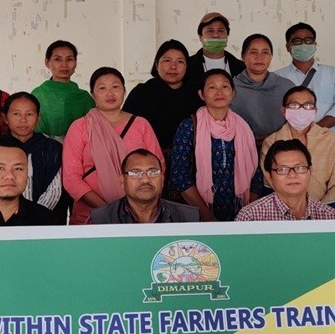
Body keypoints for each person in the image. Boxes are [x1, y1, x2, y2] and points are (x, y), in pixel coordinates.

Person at [62, 67, 164, 225]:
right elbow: (71, 179)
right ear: (92, 94)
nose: (110, 93)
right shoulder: (80, 127)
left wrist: (131, 209)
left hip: (139, 216)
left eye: (115, 87)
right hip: (90, 217)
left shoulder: (141, 125)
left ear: (124, 90)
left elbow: (158, 168)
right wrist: (110, 211)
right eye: (102, 88)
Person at [170, 69, 259, 222]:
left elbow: (256, 173)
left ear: (233, 93)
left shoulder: (245, 127)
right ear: (201, 95)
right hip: (200, 214)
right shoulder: (190, 127)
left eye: (224, 86)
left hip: (242, 213)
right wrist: (207, 216)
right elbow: (179, 176)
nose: (219, 92)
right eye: (212, 87)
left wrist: (247, 213)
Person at [261, 86, 335, 207]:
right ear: (283, 110)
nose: (301, 110)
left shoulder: (330, 139)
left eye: (308, 105)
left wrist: (320, 211)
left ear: (315, 110)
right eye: (294, 105)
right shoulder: (271, 141)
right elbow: (268, 180)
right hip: (282, 212)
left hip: (325, 212)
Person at [123, 40, 203, 157]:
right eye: (167, 60)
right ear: (156, 64)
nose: (173, 67)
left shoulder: (197, 94)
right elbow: (126, 129)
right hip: (149, 162)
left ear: (187, 66)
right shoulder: (141, 93)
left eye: (180, 61)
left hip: (190, 163)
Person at [236, 139, 335, 221]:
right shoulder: (250, 217)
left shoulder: (330, 217)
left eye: (299, 168)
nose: (292, 175)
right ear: (269, 177)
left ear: (310, 171)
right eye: (282, 169)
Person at [91, 149, 199, 224]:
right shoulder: (99, 218)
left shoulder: (189, 217)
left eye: (152, 172)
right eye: (135, 173)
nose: (145, 180)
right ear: (122, 181)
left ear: (162, 179)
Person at [274, 22, 335, 129]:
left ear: (315, 44)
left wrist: (314, 132)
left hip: (324, 140)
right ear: (288, 47)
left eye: (308, 40)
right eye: (297, 41)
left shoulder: (333, 74)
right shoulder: (277, 77)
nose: (304, 45)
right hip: (289, 142)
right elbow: (275, 112)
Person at [231, 33, 294, 151]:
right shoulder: (230, 87)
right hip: (240, 149)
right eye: (253, 52)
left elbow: (295, 122)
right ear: (243, 56)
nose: (259, 57)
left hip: (280, 150)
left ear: (271, 56)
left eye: (265, 52)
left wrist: (272, 138)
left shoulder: (286, 87)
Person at [3, 92, 63, 213]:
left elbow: (54, 190)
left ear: (38, 118)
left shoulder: (51, 148)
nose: (23, 120)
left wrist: (34, 216)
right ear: (5, 118)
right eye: (16, 114)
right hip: (5, 219)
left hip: (43, 219)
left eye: (29, 114)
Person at [31, 40, 95, 140]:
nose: (64, 64)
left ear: (76, 63)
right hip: (43, 150)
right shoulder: (38, 95)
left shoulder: (84, 97)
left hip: (79, 149)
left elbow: (92, 132)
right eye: (58, 59)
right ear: (47, 62)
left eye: (69, 59)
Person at [186, 12, 245, 89]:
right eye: (210, 31)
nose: (215, 35)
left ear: (227, 36)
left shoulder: (241, 67)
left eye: (220, 30)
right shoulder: (187, 66)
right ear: (200, 37)